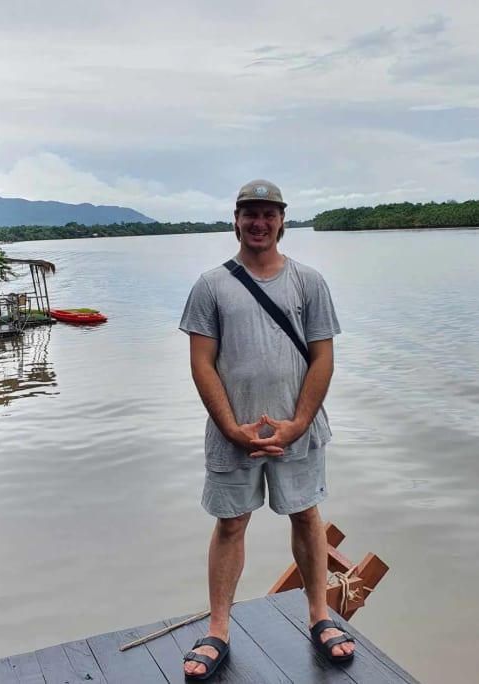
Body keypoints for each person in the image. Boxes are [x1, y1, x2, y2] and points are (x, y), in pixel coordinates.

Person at [179, 180, 355, 679]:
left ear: (282, 220)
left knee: (306, 515)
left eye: (268, 214)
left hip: (299, 428)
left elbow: (323, 359)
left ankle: (320, 616)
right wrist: (230, 427)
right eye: (250, 213)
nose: (259, 223)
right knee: (230, 524)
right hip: (232, 432)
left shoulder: (309, 282)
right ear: (235, 220)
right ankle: (218, 628)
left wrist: (298, 424)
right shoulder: (211, 286)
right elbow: (202, 363)